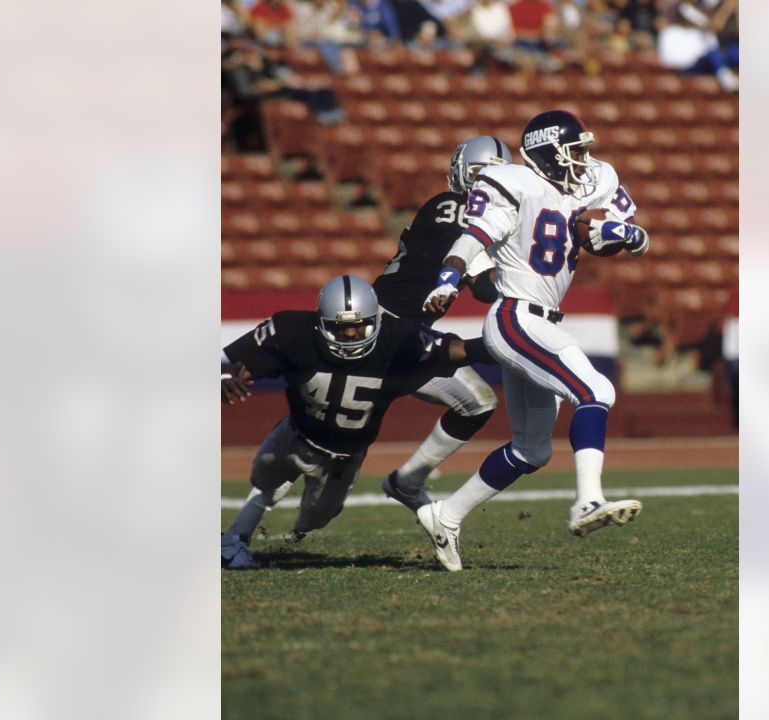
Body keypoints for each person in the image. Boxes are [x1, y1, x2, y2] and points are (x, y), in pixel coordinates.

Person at [419, 110, 651, 571]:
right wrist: (449, 278)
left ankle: (445, 515)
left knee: (532, 449)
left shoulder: (589, 184)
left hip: (538, 321)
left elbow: (611, 236)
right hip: (516, 316)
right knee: (596, 390)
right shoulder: (514, 184)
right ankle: (588, 501)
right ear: (549, 153)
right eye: (576, 151)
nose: (585, 160)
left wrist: (624, 235)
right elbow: (475, 235)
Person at [220, 274, 493, 569]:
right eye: (341, 327)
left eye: (359, 325)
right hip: (294, 434)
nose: (351, 335)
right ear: (321, 322)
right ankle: (235, 540)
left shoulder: (397, 341)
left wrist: (508, 345)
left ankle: (292, 527)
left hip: (342, 461)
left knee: (313, 520)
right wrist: (222, 377)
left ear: (377, 320)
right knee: (264, 481)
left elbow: (459, 350)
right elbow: (231, 361)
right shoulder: (292, 332)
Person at [373, 136, 513, 515]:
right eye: (480, 176)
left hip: (412, 340)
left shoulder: (487, 223)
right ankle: (239, 531)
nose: (487, 186)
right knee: (322, 454)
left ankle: (408, 481)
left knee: (478, 403)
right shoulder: (451, 207)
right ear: (461, 174)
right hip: (377, 333)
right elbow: (484, 288)